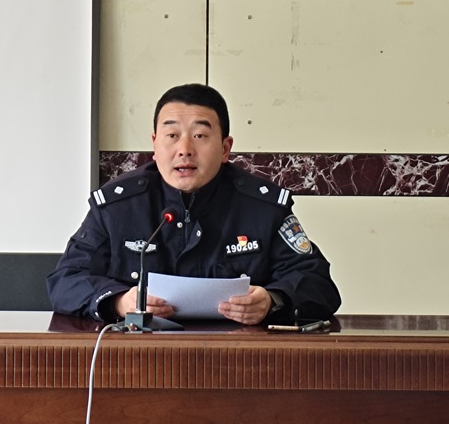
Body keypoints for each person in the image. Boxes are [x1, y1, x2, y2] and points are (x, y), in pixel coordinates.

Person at [46, 83, 340, 325]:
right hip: (138, 360)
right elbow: (65, 280)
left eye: (200, 136)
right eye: (172, 135)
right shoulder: (118, 207)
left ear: (225, 148)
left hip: (239, 361)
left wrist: (273, 300)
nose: (184, 149)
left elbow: (318, 283)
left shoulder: (262, 207)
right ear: (155, 144)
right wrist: (119, 302)